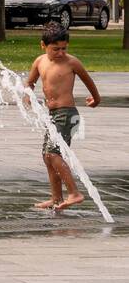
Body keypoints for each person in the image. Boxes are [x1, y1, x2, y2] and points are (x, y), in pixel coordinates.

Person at [24, 22, 101, 211]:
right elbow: (30, 83)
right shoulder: (39, 61)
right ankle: (56, 198)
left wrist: (96, 98)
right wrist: (27, 95)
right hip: (52, 115)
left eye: (64, 49)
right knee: (47, 156)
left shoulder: (71, 62)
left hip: (67, 115)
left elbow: (88, 81)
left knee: (53, 154)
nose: (60, 53)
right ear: (43, 45)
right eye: (55, 49)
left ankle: (74, 193)